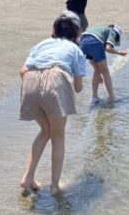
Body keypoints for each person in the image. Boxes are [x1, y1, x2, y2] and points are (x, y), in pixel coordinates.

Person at [19, 13, 87, 195]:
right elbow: (78, 88)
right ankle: (55, 186)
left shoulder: (42, 44)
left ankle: (28, 178)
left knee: (46, 131)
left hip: (30, 80)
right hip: (55, 79)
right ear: (76, 34)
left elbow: (23, 71)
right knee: (58, 136)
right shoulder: (75, 49)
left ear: (54, 31)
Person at [79, 24, 127, 103]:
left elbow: (95, 47)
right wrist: (119, 53)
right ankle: (111, 97)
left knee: (97, 70)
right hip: (94, 42)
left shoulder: (100, 29)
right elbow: (108, 48)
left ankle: (94, 97)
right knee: (105, 71)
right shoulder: (112, 32)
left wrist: (98, 74)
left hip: (82, 42)